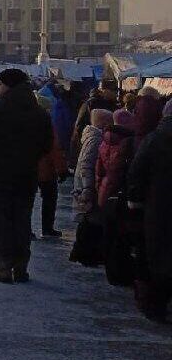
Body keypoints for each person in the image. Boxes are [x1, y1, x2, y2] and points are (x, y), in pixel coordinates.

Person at [0, 68, 53, 284]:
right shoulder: (39, 112)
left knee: (0, 220)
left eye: (0, 84)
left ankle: (3, 267)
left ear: (8, 86)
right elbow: (46, 144)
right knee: (22, 220)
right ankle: (21, 267)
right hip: (26, 175)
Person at [127, 98, 172, 323]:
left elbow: (137, 171)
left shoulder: (154, 139)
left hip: (159, 206)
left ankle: (156, 305)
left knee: (158, 253)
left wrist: (134, 200)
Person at [97, 109, 139, 287]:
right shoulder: (127, 143)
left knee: (112, 236)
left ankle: (113, 271)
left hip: (106, 191)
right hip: (120, 195)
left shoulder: (104, 139)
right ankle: (119, 273)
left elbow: (100, 169)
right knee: (121, 237)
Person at [69, 109, 113, 267]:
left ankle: (83, 252)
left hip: (87, 184)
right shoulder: (95, 139)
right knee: (90, 219)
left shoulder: (93, 137)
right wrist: (87, 187)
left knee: (89, 219)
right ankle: (84, 253)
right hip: (88, 185)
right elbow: (87, 165)